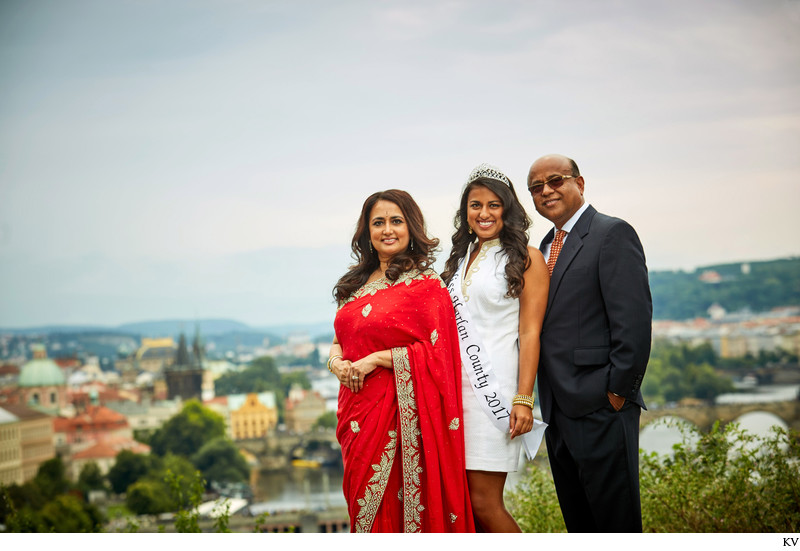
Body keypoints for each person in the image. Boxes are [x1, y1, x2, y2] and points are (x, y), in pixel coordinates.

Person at [327, 189, 474, 533]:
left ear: (411, 228)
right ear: (367, 232)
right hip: (356, 413)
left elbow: (440, 353)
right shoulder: (354, 285)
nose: (387, 229)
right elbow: (338, 342)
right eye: (378, 222)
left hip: (400, 417)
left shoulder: (426, 286)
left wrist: (375, 359)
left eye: (396, 221)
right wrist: (337, 365)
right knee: (363, 507)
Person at [527, 154, 652, 532]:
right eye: (536, 187)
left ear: (579, 183)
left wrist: (617, 393)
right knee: (579, 524)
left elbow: (633, 322)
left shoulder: (612, 233)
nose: (546, 190)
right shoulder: (543, 247)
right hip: (556, 410)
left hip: (601, 406)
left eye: (556, 180)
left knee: (615, 523)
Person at [441, 163, 549, 532]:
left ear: (508, 208)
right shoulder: (459, 259)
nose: (484, 213)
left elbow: (530, 332)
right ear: (465, 212)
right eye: (475, 205)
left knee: (483, 502)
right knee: (465, 506)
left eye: (493, 205)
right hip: (455, 393)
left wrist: (523, 398)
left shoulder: (526, 258)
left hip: (496, 392)